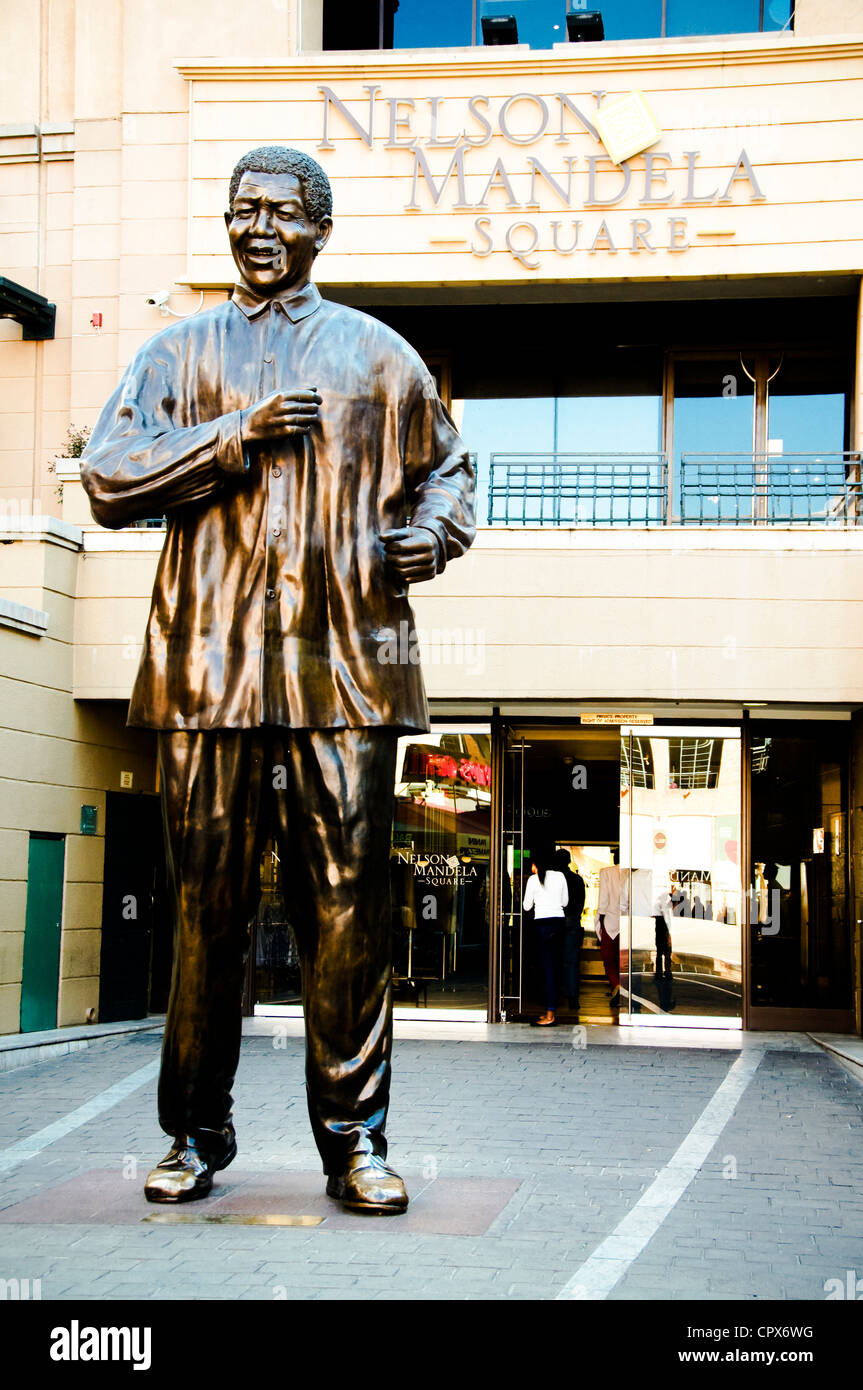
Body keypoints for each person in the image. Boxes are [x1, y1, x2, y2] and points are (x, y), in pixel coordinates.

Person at [80, 146, 475, 1213]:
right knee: (202, 908)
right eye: (240, 210)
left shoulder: (377, 355)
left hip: (342, 673)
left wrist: (429, 535)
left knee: (346, 907)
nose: (256, 228)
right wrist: (228, 438)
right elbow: (108, 478)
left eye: (279, 212)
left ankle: (354, 1142)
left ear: (320, 229)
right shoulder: (177, 351)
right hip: (207, 672)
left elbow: (452, 473)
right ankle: (194, 1134)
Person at [523, 851, 568, 1026]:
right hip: (559, 923)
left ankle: (550, 1015)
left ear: (536, 864)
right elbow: (565, 903)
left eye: (532, 864)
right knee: (555, 966)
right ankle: (550, 1011)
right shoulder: (560, 876)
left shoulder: (533, 880)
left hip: (543, 925)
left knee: (547, 968)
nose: (531, 868)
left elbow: (527, 906)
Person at [595, 850, 627, 1008]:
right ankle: (624, 989)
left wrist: (600, 920)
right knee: (625, 960)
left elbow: (603, 900)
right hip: (629, 922)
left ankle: (616, 986)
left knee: (608, 958)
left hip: (611, 920)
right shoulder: (632, 874)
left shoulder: (606, 872)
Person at [555, 848, 585, 1010]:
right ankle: (573, 997)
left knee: (552, 959)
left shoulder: (552, 880)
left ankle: (552, 996)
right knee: (571, 961)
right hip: (572, 921)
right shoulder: (577, 880)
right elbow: (581, 903)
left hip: (554, 921)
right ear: (568, 861)